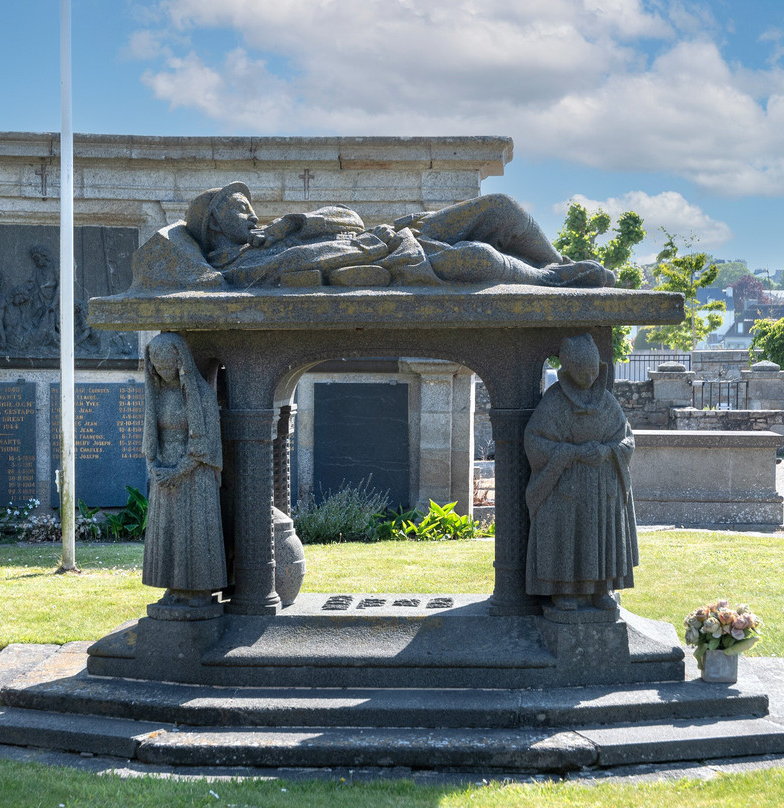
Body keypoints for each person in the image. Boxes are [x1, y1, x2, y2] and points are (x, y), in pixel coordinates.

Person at [184, 182, 613, 288]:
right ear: (216, 225)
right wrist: (374, 244)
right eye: (239, 208)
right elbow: (301, 264)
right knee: (476, 257)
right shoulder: (237, 268)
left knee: (499, 207)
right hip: (385, 258)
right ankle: (551, 282)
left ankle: (556, 263)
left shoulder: (274, 232)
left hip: (391, 235)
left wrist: (290, 224)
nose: (252, 212)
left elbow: (348, 218)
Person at [523, 334, 638, 611]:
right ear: (568, 371)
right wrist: (569, 453)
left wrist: (608, 451)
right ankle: (565, 590)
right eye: (582, 373)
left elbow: (627, 439)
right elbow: (534, 440)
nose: (588, 378)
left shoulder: (608, 402)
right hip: (566, 486)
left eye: (592, 372)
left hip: (602, 487)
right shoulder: (554, 403)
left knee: (601, 537)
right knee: (567, 536)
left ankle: (602, 588)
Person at [141, 332, 228, 605]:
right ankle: (174, 588)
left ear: (180, 361)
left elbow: (209, 445)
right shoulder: (158, 394)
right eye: (158, 365)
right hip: (165, 475)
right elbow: (150, 437)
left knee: (194, 531)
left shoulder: (200, 394)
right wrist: (154, 466)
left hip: (194, 475)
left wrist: (178, 470)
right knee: (170, 532)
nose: (164, 371)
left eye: (168, 365)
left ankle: (199, 591)